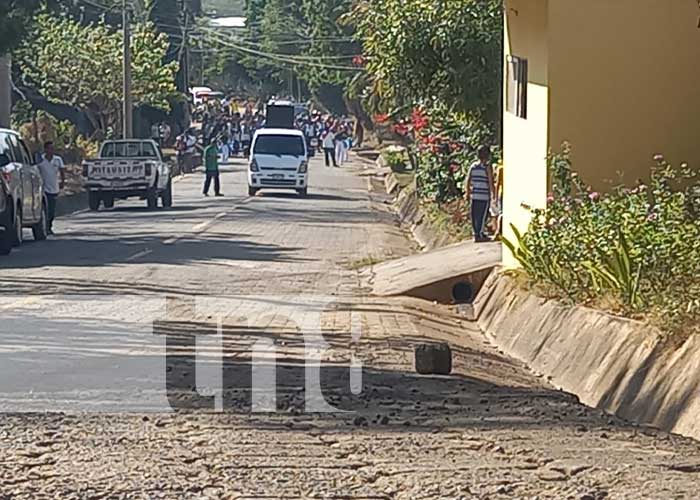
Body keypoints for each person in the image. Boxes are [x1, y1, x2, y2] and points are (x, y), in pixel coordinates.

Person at [465, 145, 495, 242]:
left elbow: (468, 180)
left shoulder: (473, 166)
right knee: (482, 215)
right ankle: (480, 234)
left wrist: (468, 193)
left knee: (474, 215)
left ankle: (476, 233)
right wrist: (493, 194)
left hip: (475, 195)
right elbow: (490, 181)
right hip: (484, 195)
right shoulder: (487, 167)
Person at [37, 141, 66, 235]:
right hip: (43, 189)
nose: (51, 150)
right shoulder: (40, 160)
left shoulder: (58, 160)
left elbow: (62, 171)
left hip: (54, 188)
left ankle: (49, 225)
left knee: (52, 210)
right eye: (49, 148)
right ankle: (45, 227)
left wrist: (62, 181)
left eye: (52, 148)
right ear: (45, 149)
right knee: (45, 209)